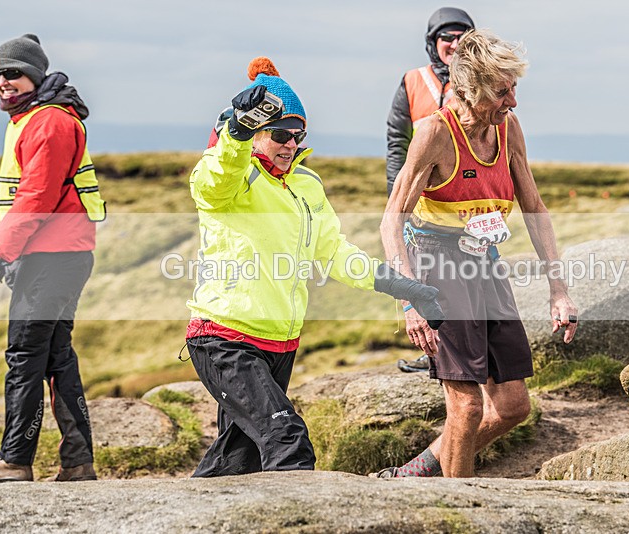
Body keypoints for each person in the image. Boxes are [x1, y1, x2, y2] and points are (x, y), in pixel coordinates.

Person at [186, 56, 444, 477]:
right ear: (254, 134)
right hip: (224, 340)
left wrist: (403, 286)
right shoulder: (230, 175)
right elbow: (216, 182)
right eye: (280, 134)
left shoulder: (306, 185)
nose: (290, 143)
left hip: (279, 345)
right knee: (288, 442)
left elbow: (333, 253)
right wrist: (236, 133)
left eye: (298, 134)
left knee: (238, 462)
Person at [376, 29, 578, 478]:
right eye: (503, 91)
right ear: (470, 89)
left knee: (511, 407)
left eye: (514, 88)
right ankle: (458, 509)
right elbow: (392, 220)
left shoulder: (508, 129)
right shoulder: (433, 134)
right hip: (436, 265)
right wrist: (409, 302)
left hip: (484, 260)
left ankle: (418, 472)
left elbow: (534, 207)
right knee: (466, 408)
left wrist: (558, 291)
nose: (513, 101)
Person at [0, 34, 106, 482]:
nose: (3, 82)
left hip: (53, 259)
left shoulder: (49, 122)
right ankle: (78, 462)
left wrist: (0, 250)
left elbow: (36, 196)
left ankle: (14, 461)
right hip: (52, 257)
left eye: (13, 74)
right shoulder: (31, 118)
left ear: (35, 77)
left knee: (25, 355)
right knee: (56, 357)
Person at [386, 6, 475, 196]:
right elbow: (397, 144)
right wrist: (395, 200)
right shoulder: (412, 80)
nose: (456, 44)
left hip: (468, 197)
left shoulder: (483, 84)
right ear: (433, 42)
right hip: (421, 196)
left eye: (463, 38)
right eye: (447, 37)